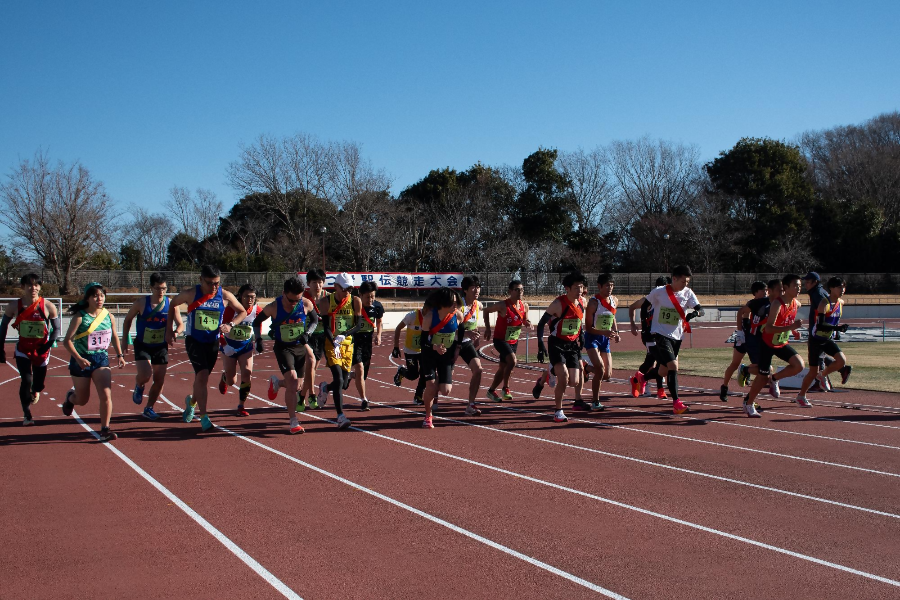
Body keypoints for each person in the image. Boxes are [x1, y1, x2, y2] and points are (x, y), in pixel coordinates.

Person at [166, 265, 247, 432]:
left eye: (217, 283)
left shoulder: (224, 295)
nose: (214, 287)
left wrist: (230, 325)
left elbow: (242, 311)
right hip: (194, 341)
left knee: (201, 379)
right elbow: (172, 303)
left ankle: (192, 402)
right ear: (200, 280)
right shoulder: (191, 294)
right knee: (202, 376)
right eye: (210, 283)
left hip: (212, 342)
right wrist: (170, 329)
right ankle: (204, 417)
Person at [632, 265, 704, 415]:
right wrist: (646, 323)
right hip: (660, 334)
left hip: (677, 336)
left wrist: (695, 313)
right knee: (673, 366)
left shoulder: (688, 293)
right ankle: (677, 403)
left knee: (663, 371)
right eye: (683, 281)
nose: (686, 284)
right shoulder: (659, 292)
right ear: (675, 278)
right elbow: (645, 305)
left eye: (688, 282)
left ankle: (642, 377)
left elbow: (700, 308)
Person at [61, 283, 126, 441]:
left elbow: (114, 337)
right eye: (95, 296)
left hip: (101, 359)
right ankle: (71, 398)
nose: (99, 299)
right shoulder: (80, 317)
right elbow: (67, 341)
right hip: (82, 359)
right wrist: (79, 358)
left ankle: (105, 428)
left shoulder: (108, 316)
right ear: (88, 298)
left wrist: (120, 355)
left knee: (106, 394)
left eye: (102, 295)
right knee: (82, 400)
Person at [254, 277, 318, 434]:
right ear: (283, 293)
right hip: (283, 348)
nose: (294, 304)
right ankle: (293, 421)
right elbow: (256, 322)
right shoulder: (274, 307)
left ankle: (277, 383)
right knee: (293, 380)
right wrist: (258, 339)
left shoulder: (305, 304)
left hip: (299, 347)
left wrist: (307, 334)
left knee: (298, 385)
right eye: (291, 300)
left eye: (297, 300)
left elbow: (315, 320)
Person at [0, 274, 61, 426]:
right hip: (23, 349)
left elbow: (57, 329)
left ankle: (36, 389)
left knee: (38, 383)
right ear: (22, 287)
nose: (32, 288)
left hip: (42, 350)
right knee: (26, 379)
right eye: (29, 285)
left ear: (40, 287)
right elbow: (3, 326)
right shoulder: (14, 306)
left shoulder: (48, 306)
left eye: (36, 285)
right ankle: (27, 414)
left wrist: (47, 345)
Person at [121, 272, 183, 421]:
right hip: (143, 344)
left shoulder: (171, 304)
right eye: (157, 288)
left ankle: (149, 408)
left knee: (159, 379)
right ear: (151, 288)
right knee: (145, 375)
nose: (161, 291)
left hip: (160, 345)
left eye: (164, 288)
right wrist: (124, 340)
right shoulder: (141, 303)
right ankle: (139, 384)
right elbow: (127, 319)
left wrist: (175, 332)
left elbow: (180, 324)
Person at [743, 274, 805, 417]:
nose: (799, 289)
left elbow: (786, 321)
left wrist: (793, 330)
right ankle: (749, 403)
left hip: (781, 343)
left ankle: (775, 379)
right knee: (762, 376)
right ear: (786, 287)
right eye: (796, 286)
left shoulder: (796, 303)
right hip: (767, 344)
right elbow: (769, 328)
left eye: (800, 286)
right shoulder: (777, 304)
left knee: (799, 365)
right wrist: (791, 326)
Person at [536, 272, 589, 422]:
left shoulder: (582, 303)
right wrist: (540, 343)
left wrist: (582, 334)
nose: (579, 290)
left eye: (581, 287)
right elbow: (541, 324)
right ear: (567, 288)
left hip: (572, 345)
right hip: (556, 343)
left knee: (574, 382)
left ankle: (550, 371)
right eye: (576, 287)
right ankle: (558, 411)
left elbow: (578, 320)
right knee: (564, 377)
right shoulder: (558, 304)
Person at [796, 277, 853, 406]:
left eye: (844, 287)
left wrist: (838, 329)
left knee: (841, 360)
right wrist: (836, 328)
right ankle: (801, 396)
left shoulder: (841, 303)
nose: (842, 290)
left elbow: (833, 321)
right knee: (812, 372)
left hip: (827, 339)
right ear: (831, 289)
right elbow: (821, 325)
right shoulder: (824, 303)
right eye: (839, 287)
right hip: (816, 340)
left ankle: (822, 375)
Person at [316, 272, 361, 430]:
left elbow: (359, 325)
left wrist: (345, 335)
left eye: (350, 289)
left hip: (348, 345)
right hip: (331, 344)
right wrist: (334, 341)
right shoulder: (325, 301)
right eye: (344, 289)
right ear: (336, 287)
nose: (347, 292)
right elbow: (326, 326)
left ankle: (325, 388)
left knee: (344, 383)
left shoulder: (355, 301)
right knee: (339, 379)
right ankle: (340, 416)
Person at [420, 287, 465, 429]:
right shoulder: (429, 318)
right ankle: (428, 416)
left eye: (456, 302)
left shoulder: (457, 316)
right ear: (443, 303)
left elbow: (461, 332)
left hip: (447, 355)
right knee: (431, 386)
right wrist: (435, 347)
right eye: (452, 303)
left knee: (446, 390)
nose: (456, 305)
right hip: (430, 355)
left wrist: (458, 349)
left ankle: (434, 385)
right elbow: (422, 342)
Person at [218, 284, 262, 417]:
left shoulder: (256, 310)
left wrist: (259, 340)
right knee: (232, 381)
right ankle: (225, 377)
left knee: (247, 373)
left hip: (246, 347)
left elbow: (258, 325)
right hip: (229, 345)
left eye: (252, 297)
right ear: (240, 297)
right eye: (247, 296)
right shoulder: (231, 310)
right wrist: (225, 345)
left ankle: (241, 406)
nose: (250, 300)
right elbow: (219, 329)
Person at [483, 280, 531, 402]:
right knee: (513, 361)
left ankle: (491, 390)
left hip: (513, 340)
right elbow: (486, 311)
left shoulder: (525, 306)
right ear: (510, 291)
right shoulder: (503, 305)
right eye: (517, 289)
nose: (520, 292)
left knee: (503, 367)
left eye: (522, 289)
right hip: (500, 340)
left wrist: (527, 323)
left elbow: (525, 319)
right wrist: (488, 329)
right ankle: (506, 388)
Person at [719, 281, 767, 401]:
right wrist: (740, 331)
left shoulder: (768, 304)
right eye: (763, 291)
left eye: (766, 290)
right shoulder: (752, 304)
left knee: (758, 365)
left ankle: (746, 370)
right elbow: (742, 314)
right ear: (756, 293)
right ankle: (724, 386)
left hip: (754, 340)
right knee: (734, 363)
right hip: (744, 338)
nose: (765, 293)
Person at [583, 273, 620, 410]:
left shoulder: (614, 300)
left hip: (605, 339)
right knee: (599, 369)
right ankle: (595, 401)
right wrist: (602, 332)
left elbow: (613, 317)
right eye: (607, 285)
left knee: (606, 375)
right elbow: (588, 328)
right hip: (592, 338)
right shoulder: (593, 303)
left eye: (611, 285)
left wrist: (616, 332)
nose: (610, 288)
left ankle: (586, 368)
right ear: (599, 286)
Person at [628, 277, 669, 399]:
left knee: (649, 362)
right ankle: (660, 389)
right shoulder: (647, 299)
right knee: (661, 361)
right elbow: (631, 307)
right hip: (648, 336)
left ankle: (636, 379)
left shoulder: (666, 301)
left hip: (661, 335)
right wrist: (633, 324)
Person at [352, 280, 384, 411]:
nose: (370, 299)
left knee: (362, 373)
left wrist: (379, 335)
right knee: (359, 367)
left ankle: (349, 376)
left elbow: (379, 321)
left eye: (373, 296)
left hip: (367, 342)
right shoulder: (353, 305)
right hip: (354, 341)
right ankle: (364, 400)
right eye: (367, 297)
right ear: (360, 295)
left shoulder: (377, 306)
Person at [456, 276, 485, 416]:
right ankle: (435, 396)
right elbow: (448, 328)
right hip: (452, 342)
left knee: (478, 369)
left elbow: (476, 322)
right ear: (465, 290)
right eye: (473, 287)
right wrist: (466, 332)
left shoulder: (478, 305)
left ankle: (471, 404)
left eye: (478, 287)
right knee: (445, 380)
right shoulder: (457, 306)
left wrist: (477, 334)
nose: (477, 290)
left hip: (466, 343)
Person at [300, 269, 327, 411]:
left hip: (321, 336)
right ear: (308, 284)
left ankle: (301, 395)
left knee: (312, 370)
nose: (317, 285)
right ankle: (311, 396)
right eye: (314, 282)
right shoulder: (302, 298)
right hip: (306, 336)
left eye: (320, 282)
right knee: (310, 364)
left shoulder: (328, 298)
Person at [392, 302, 429, 405]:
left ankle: (418, 396)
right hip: (410, 351)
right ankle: (401, 371)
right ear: (425, 309)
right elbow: (398, 328)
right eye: (430, 311)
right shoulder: (412, 316)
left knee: (424, 374)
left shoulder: (432, 318)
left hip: (423, 350)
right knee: (413, 375)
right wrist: (396, 347)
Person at [802, 272, 835, 390]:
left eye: (808, 281)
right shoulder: (818, 292)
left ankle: (820, 382)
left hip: (818, 330)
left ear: (815, 282)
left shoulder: (817, 293)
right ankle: (841, 367)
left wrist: (822, 326)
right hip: (820, 328)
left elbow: (826, 310)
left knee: (817, 356)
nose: (805, 284)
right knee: (820, 354)